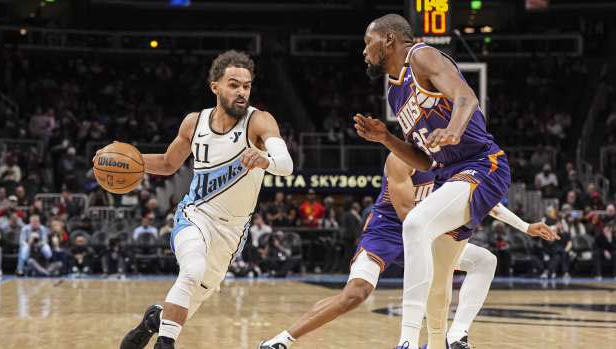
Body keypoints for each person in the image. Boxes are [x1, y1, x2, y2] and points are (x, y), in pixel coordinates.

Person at [259, 154, 556, 349]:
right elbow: (407, 216)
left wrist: (525, 226)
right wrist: (443, 241)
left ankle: (457, 336)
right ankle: (281, 340)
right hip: (387, 231)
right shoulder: (401, 157)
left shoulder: (450, 162)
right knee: (356, 293)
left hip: (423, 232)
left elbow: (482, 199)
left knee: (484, 260)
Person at [115, 50, 293, 349]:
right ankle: (165, 344)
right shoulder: (193, 123)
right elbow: (169, 163)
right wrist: (126, 159)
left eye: (246, 86)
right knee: (192, 271)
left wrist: (264, 159)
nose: (241, 92)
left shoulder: (259, 121)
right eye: (233, 84)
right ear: (215, 86)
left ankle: (153, 320)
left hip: (232, 232)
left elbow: (286, 166)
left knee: (187, 303)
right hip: (194, 215)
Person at [354, 14, 513, 349]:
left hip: (483, 165)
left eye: (369, 41)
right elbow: (424, 160)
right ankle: (439, 343)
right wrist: (386, 139)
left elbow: (466, 97)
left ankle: (407, 341)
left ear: (390, 40)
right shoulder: (395, 93)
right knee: (439, 281)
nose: (364, 50)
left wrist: (454, 131)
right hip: (448, 175)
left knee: (415, 224)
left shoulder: (421, 56)